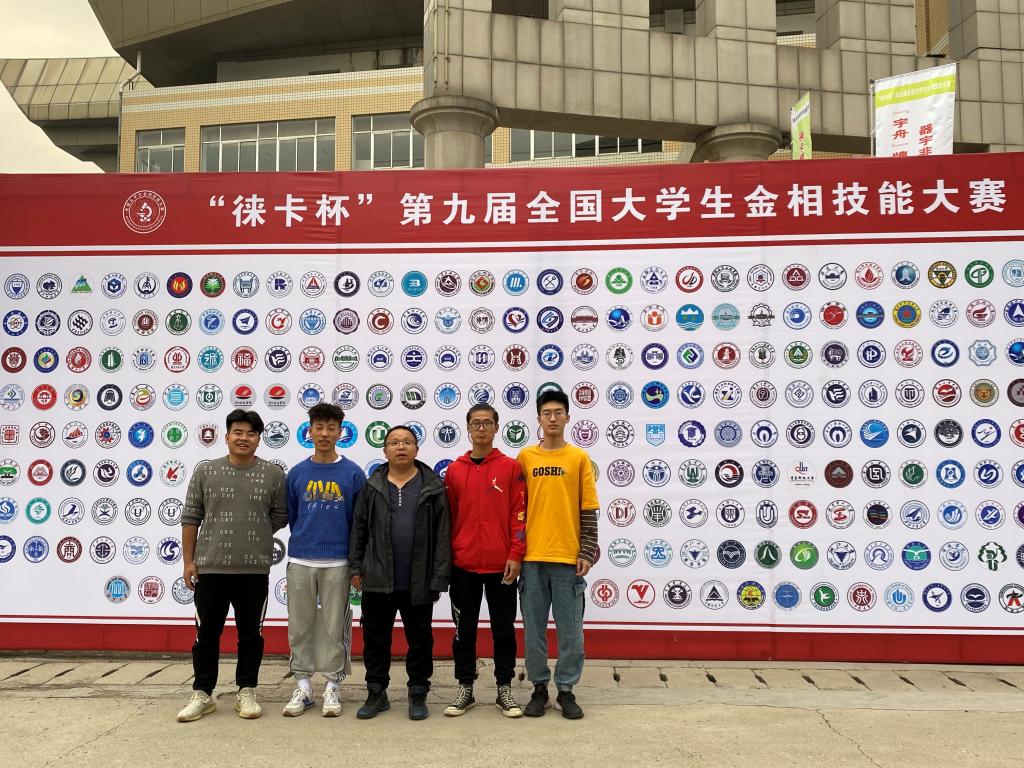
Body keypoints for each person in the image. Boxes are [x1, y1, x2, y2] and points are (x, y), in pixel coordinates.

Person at [176, 408, 287, 722]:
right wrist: (188, 561)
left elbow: (280, 515)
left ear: (259, 439)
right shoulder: (206, 471)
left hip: (253, 571)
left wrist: (254, 531)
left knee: (251, 635)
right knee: (206, 635)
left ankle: (246, 691)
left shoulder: (273, 474)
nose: (244, 438)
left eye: (251, 433)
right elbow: (191, 517)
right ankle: (202, 693)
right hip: (210, 569)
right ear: (226, 437)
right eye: (238, 432)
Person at [349, 425, 450, 720]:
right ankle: (376, 692)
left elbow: (443, 534)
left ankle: (418, 693)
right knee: (376, 640)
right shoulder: (372, 486)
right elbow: (359, 528)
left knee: (420, 641)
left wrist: (438, 576)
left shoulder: (433, 487)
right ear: (385, 451)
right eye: (394, 442)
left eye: (407, 442)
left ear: (417, 449)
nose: (401, 447)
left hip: (418, 580)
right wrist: (355, 567)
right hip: (377, 578)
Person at [516, 390, 599, 720]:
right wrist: (515, 551)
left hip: (568, 560)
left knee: (571, 633)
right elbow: (516, 509)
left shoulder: (578, 458)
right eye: (546, 413)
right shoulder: (525, 457)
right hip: (532, 558)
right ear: (538, 419)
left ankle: (566, 689)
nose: (552, 418)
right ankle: (539, 687)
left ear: (567, 418)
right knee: (533, 631)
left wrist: (587, 550)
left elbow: (588, 508)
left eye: (558, 412)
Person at [442, 404, 527, 718]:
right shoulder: (455, 470)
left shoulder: (511, 467)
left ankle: (504, 688)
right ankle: (465, 687)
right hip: (463, 565)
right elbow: (450, 518)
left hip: (501, 565)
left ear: (496, 428)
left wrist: (515, 553)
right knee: (464, 630)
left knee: (503, 630)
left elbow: (520, 514)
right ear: (467, 428)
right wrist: (450, 557)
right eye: (476, 423)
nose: (481, 428)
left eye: (487, 423)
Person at [282, 403, 365, 718]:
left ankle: (332, 685)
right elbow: (293, 516)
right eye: (319, 427)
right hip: (301, 560)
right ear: (310, 431)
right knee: (299, 626)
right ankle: (303, 686)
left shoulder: (353, 473)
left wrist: (354, 563)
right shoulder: (297, 473)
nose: (325, 433)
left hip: (338, 563)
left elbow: (358, 522)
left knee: (334, 628)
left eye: (331, 428)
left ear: (341, 432)